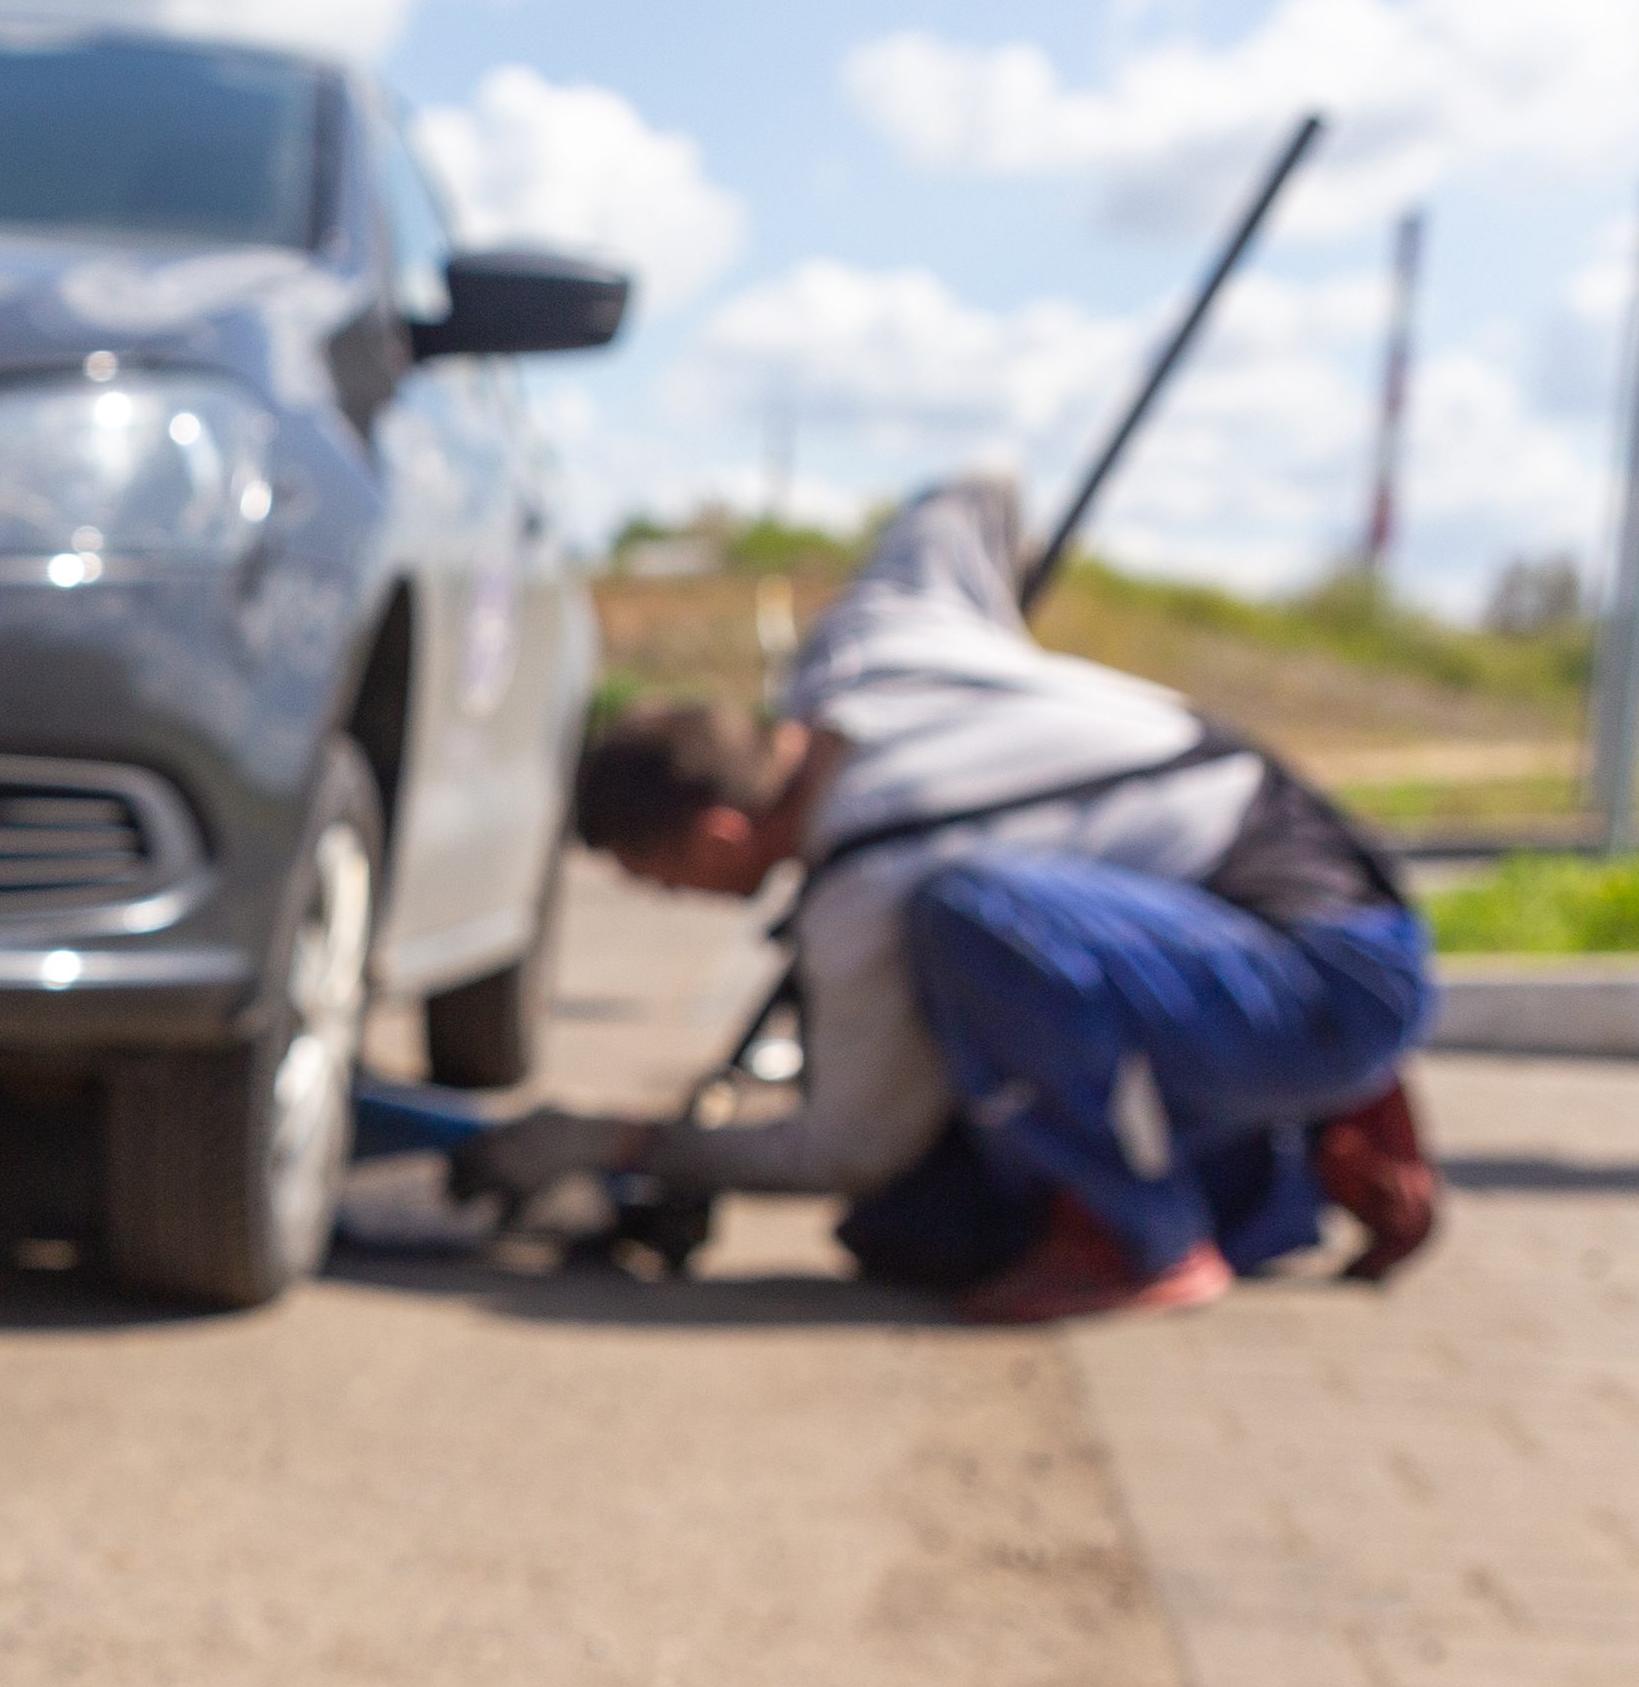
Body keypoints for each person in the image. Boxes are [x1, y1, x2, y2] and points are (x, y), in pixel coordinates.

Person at [473, 477, 1440, 1321]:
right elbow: (979, 490)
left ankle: (1140, 1239)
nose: (674, 905)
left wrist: (626, 1144)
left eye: (661, 882)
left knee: (978, 921)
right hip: (1281, 924)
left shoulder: (868, 877)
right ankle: (1308, 1145)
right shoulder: (871, 646)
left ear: (717, 836)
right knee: (918, 1225)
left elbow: (854, 1141)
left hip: (1327, 980)